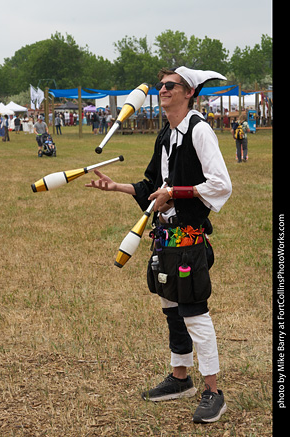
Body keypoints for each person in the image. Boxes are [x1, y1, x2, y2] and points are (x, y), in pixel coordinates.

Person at [85, 65, 232, 424]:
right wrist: (118, 187)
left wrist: (175, 194)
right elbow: (153, 182)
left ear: (189, 93)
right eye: (162, 85)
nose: (162, 89)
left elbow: (221, 184)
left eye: (171, 85)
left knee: (194, 312)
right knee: (170, 307)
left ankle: (214, 390)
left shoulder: (199, 131)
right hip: (164, 236)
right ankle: (180, 378)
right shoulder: (166, 134)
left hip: (189, 237)